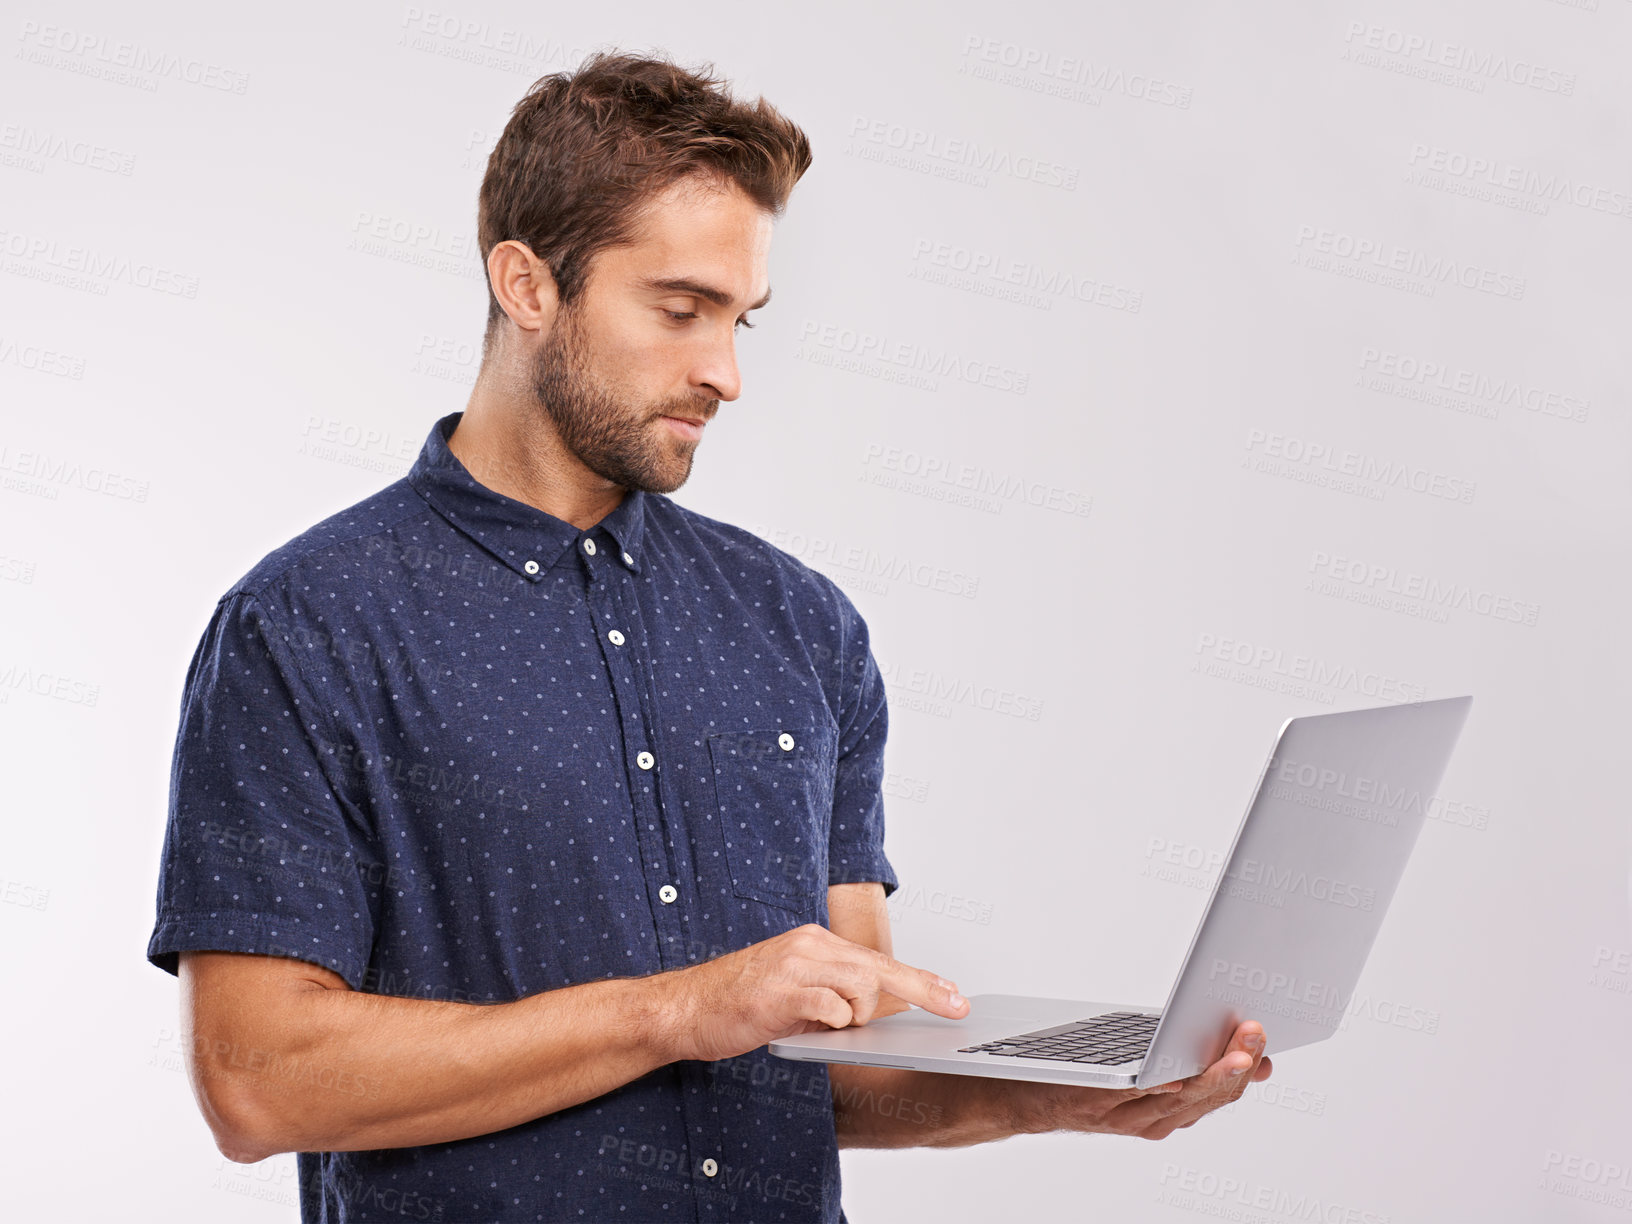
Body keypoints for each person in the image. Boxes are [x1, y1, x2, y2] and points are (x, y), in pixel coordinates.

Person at [146, 47, 1271, 1224]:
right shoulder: (308, 626)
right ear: (528, 286)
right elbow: (255, 1084)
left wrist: (1054, 1096)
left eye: (741, 319)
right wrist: (674, 1010)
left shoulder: (800, 625)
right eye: (681, 311)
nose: (725, 373)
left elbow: (843, 1066)